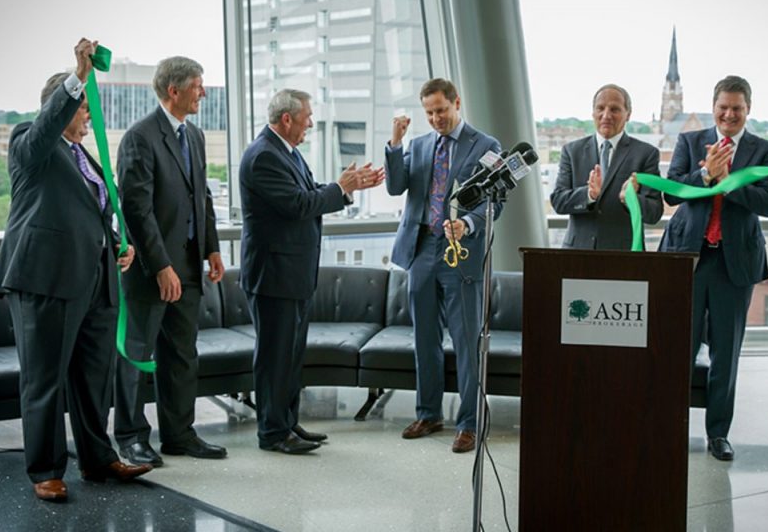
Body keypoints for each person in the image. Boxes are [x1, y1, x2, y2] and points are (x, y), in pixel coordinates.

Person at [0, 38, 152, 501]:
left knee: (91, 381)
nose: (89, 119)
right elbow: (45, 131)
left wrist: (121, 246)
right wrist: (77, 78)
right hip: (44, 282)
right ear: (63, 109)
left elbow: (95, 212)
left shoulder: (88, 159)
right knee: (43, 380)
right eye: (84, 111)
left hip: (96, 283)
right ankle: (45, 470)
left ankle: (99, 459)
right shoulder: (29, 142)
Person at [239, 89, 383, 454]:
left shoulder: (286, 152)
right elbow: (299, 204)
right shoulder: (262, 157)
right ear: (286, 119)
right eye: (307, 117)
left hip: (293, 276)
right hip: (273, 277)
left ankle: (287, 424)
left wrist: (344, 189)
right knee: (275, 360)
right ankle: (272, 433)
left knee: (290, 357)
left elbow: (311, 191)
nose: (310, 124)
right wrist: (340, 188)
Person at [659, 75, 768, 461]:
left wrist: (729, 183)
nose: (729, 114)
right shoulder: (690, 141)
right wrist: (705, 176)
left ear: (748, 110)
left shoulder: (764, 150)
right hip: (689, 258)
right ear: (713, 107)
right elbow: (671, 191)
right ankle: (672, 426)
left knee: (726, 354)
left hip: (734, 264)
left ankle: (718, 434)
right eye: (723, 107)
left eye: (737, 108)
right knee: (679, 350)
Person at [114, 56, 226, 465]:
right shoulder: (140, 137)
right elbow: (136, 210)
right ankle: (130, 437)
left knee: (182, 355)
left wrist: (212, 247)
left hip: (191, 266)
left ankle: (179, 435)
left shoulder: (193, 135)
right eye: (198, 85)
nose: (204, 92)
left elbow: (204, 198)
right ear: (173, 90)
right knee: (137, 357)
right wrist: (161, 266)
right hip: (151, 271)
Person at [385, 78, 502, 453]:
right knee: (424, 339)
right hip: (421, 250)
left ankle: (469, 422)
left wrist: (467, 223)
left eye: (441, 110)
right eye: (430, 112)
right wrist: (395, 144)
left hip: (461, 252)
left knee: (467, 340)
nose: (436, 118)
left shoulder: (486, 146)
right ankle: (429, 412)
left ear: (457, 103)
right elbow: (395, 186)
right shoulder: (419, 146)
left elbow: (495, 201)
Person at [551, 84, 663, 247]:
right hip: (578, 255)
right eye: (600, 108)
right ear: (593, 113)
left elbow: (654, 213)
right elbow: (558, 202)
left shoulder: (646, 154)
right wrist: (589, 195)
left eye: (614, 109)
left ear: (628, 115)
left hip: (624, 256)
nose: (606, 115)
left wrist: (630, 200)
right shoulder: (571, 151)